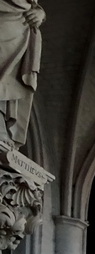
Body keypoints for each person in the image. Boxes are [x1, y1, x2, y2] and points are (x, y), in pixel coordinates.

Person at [0, 0, 45, 147]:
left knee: (8, 80)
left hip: (22, 21)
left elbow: (34, 5)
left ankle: (1, 126)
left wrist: (40, 13)